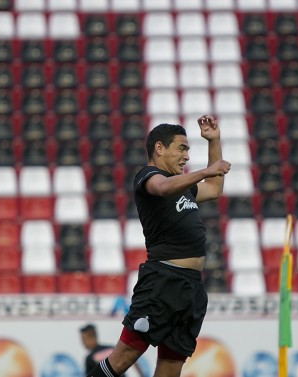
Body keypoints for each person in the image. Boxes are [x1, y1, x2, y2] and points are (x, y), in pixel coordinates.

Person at [87, 115, 231, 377]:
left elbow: (214, 188)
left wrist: (214, 141)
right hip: (162, 283)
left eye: (188, 149)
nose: (186, 156)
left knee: (170, 368)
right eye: (182, 148)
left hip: (191, 287)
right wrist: (204, 170)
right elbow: (163, 188)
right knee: (121, 359)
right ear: (159, 148)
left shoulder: (184, 186)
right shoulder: (149, 176)